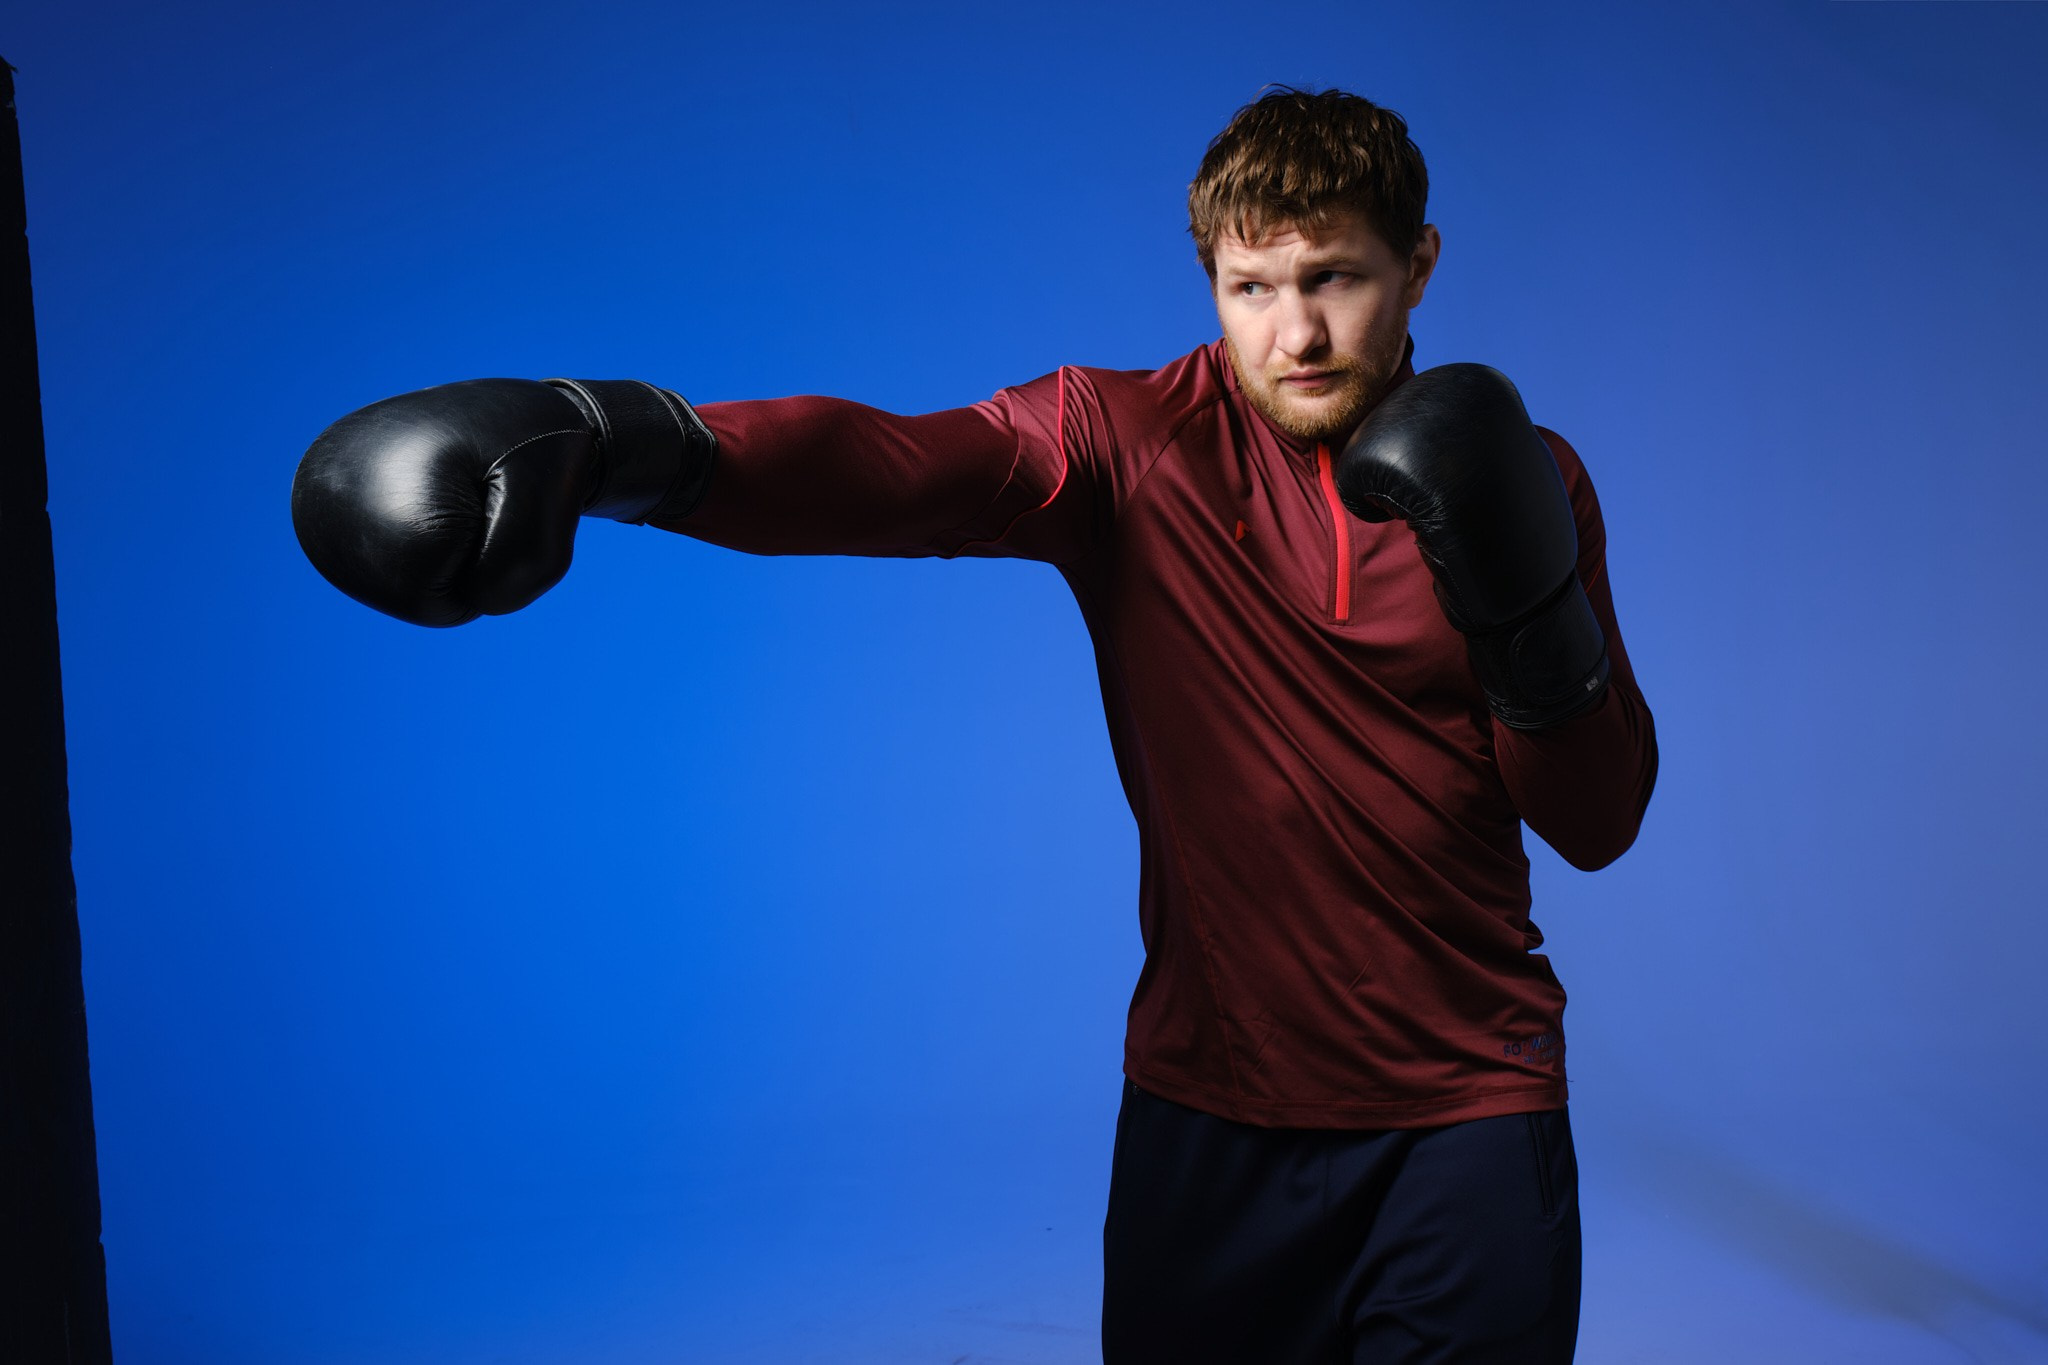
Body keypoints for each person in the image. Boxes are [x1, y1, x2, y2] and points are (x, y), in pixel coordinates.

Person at [292, 86, 1658, 1364]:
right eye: (1253, 289)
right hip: (1212, 1111)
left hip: (1467, 1110)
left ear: (1419, 264)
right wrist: (613, 442)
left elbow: (1597, 820)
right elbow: (892, 469)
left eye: (1334, 281)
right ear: (1214, 289)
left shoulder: (1528, 478)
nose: (1293, 334)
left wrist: (1527, 614)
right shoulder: (1129, 442)